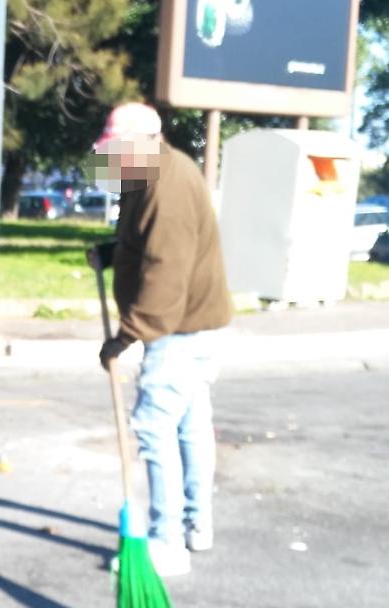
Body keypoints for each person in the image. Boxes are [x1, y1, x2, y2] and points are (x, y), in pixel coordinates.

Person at [87, 102, 234, 578]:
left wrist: (126, 338)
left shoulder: (166, 186)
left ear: (147, 141)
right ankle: (197, 525)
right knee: (189, 425)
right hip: (192, 323)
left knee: (153, 426)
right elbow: (147, 245)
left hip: (180, 328)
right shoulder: (150, 172)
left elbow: (165, 272)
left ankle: (167, 542)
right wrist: (112, 253)